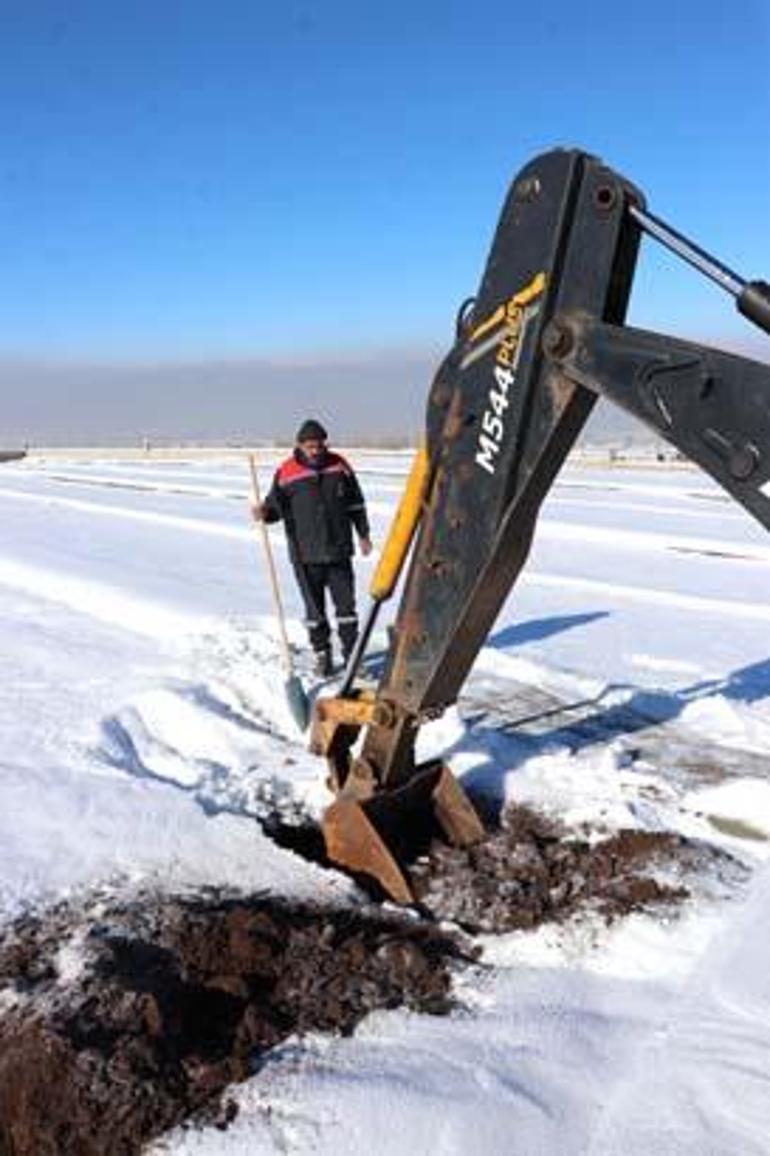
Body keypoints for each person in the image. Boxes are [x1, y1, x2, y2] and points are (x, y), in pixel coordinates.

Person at [253, 419, 372, 677]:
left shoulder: (339, 465)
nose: (316, 451)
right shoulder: (286, 472)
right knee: (314, 611)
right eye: (310, 446)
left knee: (346, 609)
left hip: (339, 550)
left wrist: (363, 534)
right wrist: (264, 512)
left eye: (319, 445)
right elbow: (275, 508)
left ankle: (352, 656)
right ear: (300, 446)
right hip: (305, 555)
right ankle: (322, 655)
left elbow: (356, 504)